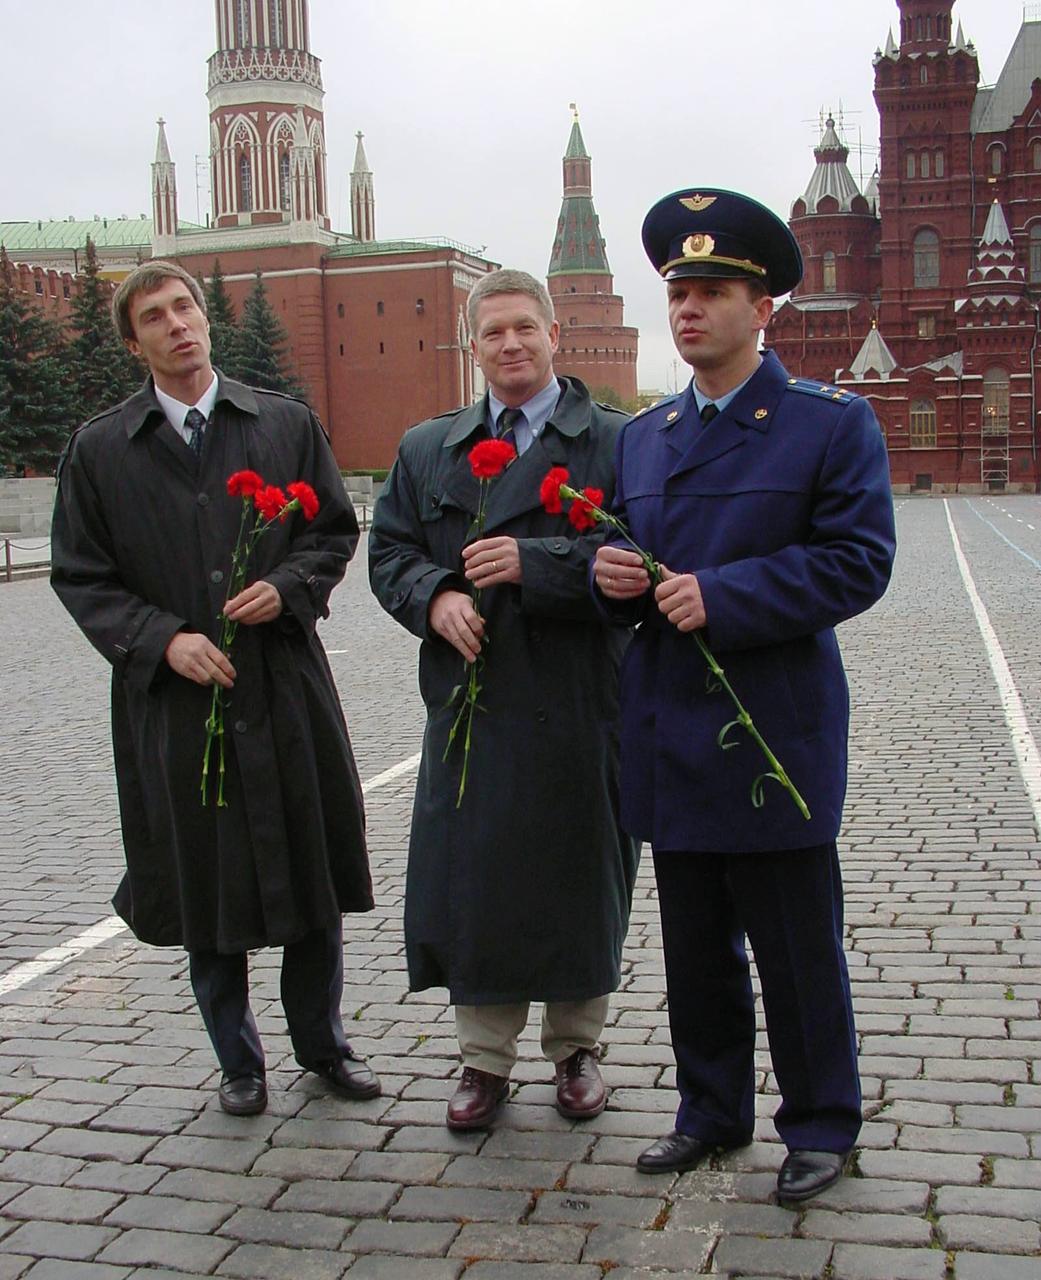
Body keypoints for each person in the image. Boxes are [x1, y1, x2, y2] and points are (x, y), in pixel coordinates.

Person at [593, 190, 895, 1203]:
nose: (688, 310)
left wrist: (722, 596)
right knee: (694, 950)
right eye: (678, 293)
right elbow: (623, 550)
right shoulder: (644, 436)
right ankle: (709, 1111)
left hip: (772, 732)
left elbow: (857, 561)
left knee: (796, 949)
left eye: (713, 292)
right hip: (669, 728)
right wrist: (607, 575)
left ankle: (820, 1122)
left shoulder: (827, 425)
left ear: (762, 309)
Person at [51, 261, 379, 1117]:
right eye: (154, 318)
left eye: (184, 307)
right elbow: (81, 575)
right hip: (177, 704)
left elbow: (331, 532)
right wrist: (162, 639)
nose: (176, 325)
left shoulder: (282, 423)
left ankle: (323, 1044)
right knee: (205, 879)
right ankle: (237, 1061)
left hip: (283, 685)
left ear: (205, 318)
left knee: (310, 869)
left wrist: (288, 587)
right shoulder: (100, 450)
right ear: (135, 344)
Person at [369, 269, 639, 1130]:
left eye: (526, 327)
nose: (511, 344)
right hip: (473, 705)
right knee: (476, 882)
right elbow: (390, 552)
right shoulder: (428, 447)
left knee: (578, 877)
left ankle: (576, 1049)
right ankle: (483, 1061)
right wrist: (434, 598)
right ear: (471, 345)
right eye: (493, 332)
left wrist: (538, 564)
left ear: (555, 334)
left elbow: (641, 559)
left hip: (577, 698)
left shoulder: (614, 441)